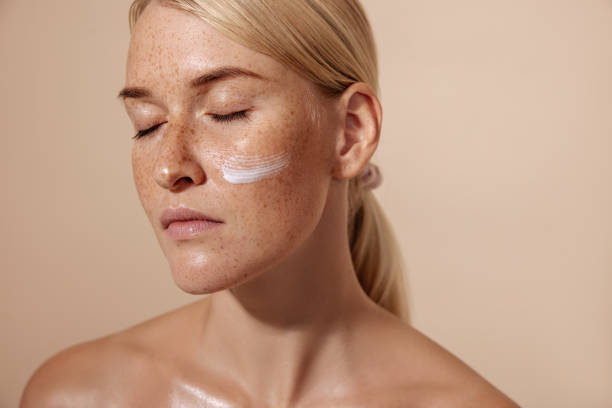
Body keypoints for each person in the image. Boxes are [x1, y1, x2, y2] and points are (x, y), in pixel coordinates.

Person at [20, 0, 519, 406]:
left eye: (227, 111)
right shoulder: (79, 396)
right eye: (147, 123)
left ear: (350, 135)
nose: (169, 168)